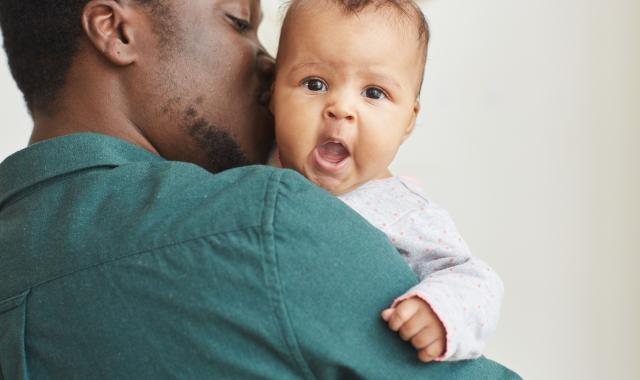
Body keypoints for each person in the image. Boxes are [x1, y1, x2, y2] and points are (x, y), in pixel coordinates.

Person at [0, 0, 520, 378]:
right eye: (240, 23)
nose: (271, 69)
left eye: (374, 92)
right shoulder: (267, 221)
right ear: (116, 31)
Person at [271, 0, 503, 363]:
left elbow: (477, 281)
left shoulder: (403, 211)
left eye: (373, 93)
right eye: (314, 84)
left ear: (408, 121)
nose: (341, 108)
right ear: (272, 94)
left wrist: (438, 311)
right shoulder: (257, 173)